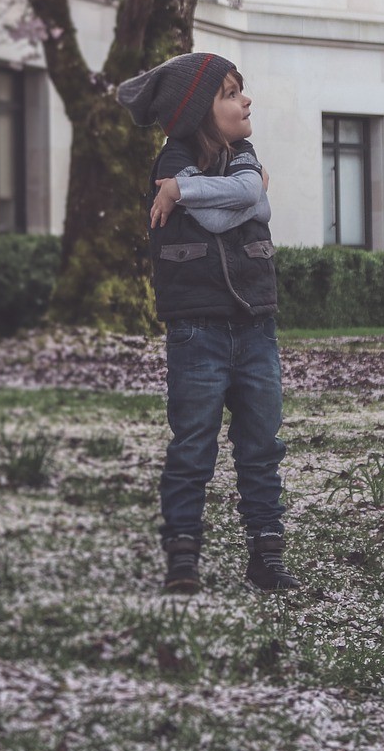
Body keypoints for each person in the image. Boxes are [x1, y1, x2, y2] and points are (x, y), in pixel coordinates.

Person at [118, 51, 300, 594]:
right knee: (193, 445)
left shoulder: (244, 155)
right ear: (197, 110)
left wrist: (192, 194)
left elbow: (245, 197)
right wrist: (196, 192)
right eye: (229, 93)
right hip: (196, 331)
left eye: (241, 89)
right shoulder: (170, 163)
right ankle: (182, 557)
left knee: (261, 444)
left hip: (255, 328)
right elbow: (238, 205)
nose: (245, 101)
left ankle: (266, 555)